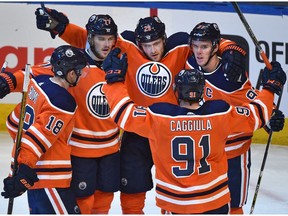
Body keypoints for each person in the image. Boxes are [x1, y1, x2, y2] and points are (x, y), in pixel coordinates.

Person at [33, 7, 249, 214]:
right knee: (132, 188)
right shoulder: (127, 45)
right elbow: (94, 40)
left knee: (176, 188)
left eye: (156, 43)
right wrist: (62, 28)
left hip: (170, 129)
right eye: (147, 44)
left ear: (165, 38)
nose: (153, 50)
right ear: (138, 42)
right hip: (138, 128)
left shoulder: (180, 46)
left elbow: (208, 41)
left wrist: (232, 48)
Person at [101, 47, 286, 214]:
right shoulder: (220, 113)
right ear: (203, 90)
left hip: (175, 204)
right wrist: (270, 87)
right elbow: (258, 114)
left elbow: (123, 113)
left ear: (175, 90)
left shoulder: (160, 117)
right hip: (215, 202)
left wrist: (114, 80)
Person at [6, 11, 123, 214]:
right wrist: (9, 82)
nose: (106, 44)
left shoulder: (121, 64)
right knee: (83, 202)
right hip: (80, 150)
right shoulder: (75, 65)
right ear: (90, 38)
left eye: (110, 39)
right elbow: (34, 71)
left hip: (111, 148)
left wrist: (63, 28)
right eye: (101, 39)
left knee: (104, 200)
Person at [186, 22, 285, 214]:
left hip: (234, 153)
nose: (198, 51)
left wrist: (271, 115)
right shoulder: (190, 63)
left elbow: (252, 98)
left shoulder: (231, 77)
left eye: (204, 46)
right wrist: (231, 47)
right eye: (196, 45)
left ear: (215, 47)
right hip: (205, 152)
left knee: (234, 205)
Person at [1, 45, 88, 214]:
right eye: (79, 71)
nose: (81, 75)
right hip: (51, 181)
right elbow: (36, 139)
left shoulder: (37, 85)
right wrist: (24, 170)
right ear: (70, 73)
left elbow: (13, 123)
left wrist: (18, 171)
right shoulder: (63, 101)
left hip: (35, 181)